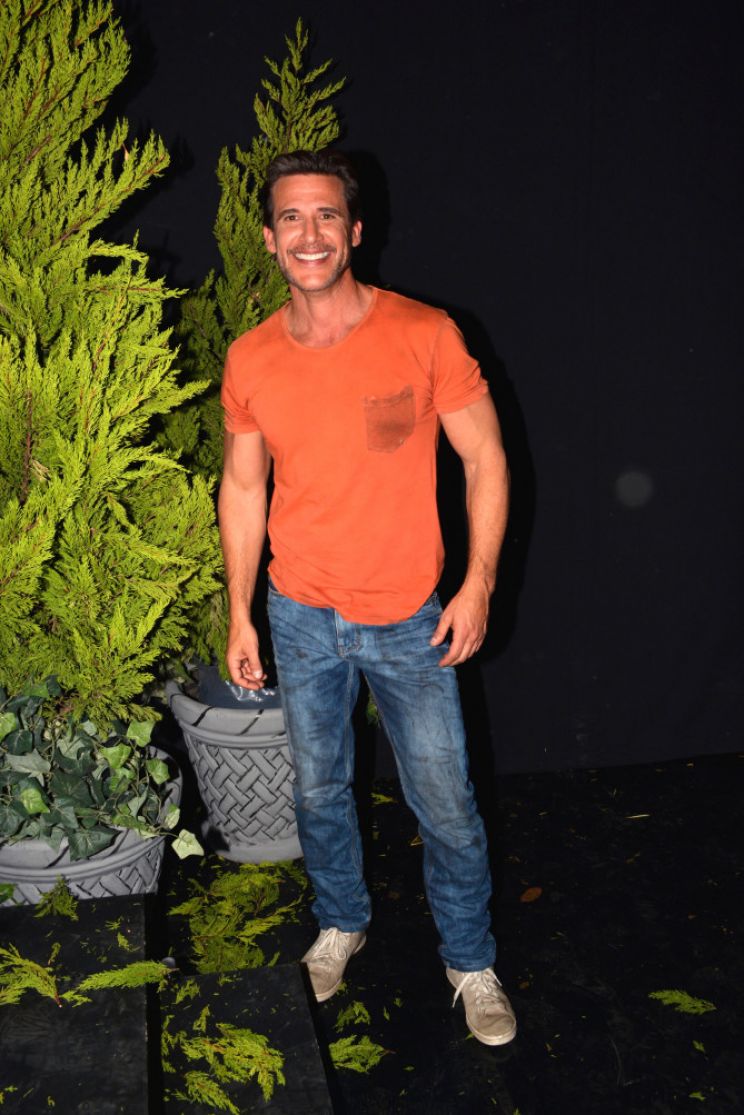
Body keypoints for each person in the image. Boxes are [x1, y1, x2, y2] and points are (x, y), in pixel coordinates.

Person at [218, 150, 516, 1046]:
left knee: (447, 805)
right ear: (269, 239)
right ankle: (340, 922)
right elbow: (243, 487)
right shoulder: (251, 357)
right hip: (300, 612)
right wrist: (240, 611)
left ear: (353, 230)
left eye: (325, 216)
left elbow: (485, 459)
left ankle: (470, 960)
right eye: (291, 218)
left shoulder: (423, 333)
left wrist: (478, 582)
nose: (308, 234)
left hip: (408, 619)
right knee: (319, 793)